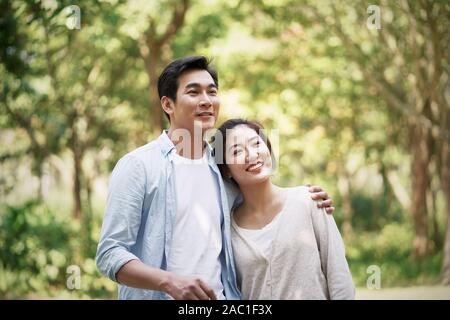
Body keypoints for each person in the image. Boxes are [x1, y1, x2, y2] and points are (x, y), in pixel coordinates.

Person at [95, 56, 335, 300]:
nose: (206, 101)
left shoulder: (223, 166)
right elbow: (110, 253)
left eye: (212, 92)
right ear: (168, 104)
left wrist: (304, 197)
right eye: (194, 92)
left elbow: (262, 198)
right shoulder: (139, 166)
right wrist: (169, 282)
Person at [213, 119, 355, 299]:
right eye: (237, 151)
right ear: (226, 170)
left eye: (256, 143)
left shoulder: (309, 201)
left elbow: (339, 277)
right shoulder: (227, 232)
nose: (252, 154)